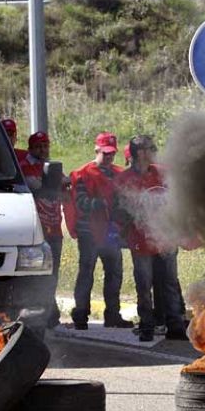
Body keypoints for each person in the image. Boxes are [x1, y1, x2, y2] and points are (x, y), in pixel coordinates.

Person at [115, 135, 187, 342]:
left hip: (166, 237)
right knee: (144, 284)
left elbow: (177, 199)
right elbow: (116, 211)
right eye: (150, 148)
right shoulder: (123, 180)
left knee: (170, 283)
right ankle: (147, 325)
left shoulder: (163, 174)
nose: (154, 151)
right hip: (141, 240)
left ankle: (175, 326)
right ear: (139, 153)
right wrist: (132, 219)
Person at [69, 132, 132, 330]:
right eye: (105, 154)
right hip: (89, 232)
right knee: (86, 272)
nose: (109, 157)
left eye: (112, 154)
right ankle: (80, 315)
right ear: (96, 150)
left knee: (115, 274)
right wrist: (101, 203)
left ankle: (112, 315)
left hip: (112, 233)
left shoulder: (119, 173)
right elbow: (80, 202)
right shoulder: (83, 174)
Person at [19, 131, 62, 328]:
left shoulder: (52, 167)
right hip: (38, 228)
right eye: (39, 146)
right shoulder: (25, 166)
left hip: (54, 226)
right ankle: (41, 311)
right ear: (30, 148)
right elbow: (35, 185)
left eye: (46, 146)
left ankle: (50, 310)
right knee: (39, 272)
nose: (43, 150)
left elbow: (67, 183)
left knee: (54, 272)